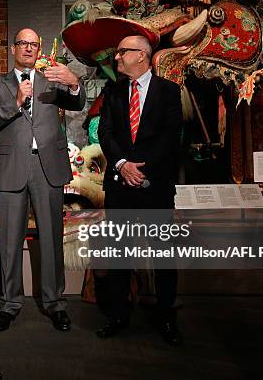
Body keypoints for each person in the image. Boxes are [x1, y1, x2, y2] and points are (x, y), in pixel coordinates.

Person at [0, 28, 86, 332]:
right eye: (23, 43)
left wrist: (74, 83)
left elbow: (77, 104)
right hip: (13, 166)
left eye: (34, 45)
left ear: (40, 50)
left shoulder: (52, 79)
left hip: (47, 166)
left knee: (52, 237)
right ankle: (10, 303)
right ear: (14, 48)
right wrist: (15, 101)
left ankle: (55, 303)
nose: (29, 49)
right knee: (9, 240)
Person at [96, 34, 183, 346]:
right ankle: (118, 315)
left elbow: (171, 136)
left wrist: (140, 167)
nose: (117, 58)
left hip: (155, 185)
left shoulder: (169, 91)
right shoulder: (113, 90)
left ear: (142, 55)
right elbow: (104, 131)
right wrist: (122, 164)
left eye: (122, 52)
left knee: (163, 257)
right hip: (120, 185)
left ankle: (166, 319)